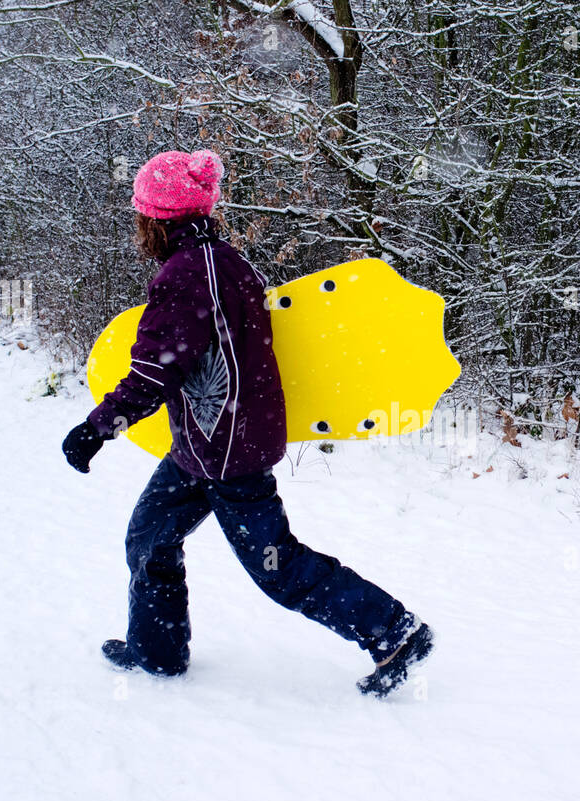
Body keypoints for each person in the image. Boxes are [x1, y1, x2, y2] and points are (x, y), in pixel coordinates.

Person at [61, 149, 434, 698]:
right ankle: (156, 652)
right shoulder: (223, 259)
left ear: (157, 219)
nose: (137, 227)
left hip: (227, 453)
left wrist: (97, 428)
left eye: (140, 215)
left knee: (277, 566)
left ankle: (394, 632)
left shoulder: (185, 276)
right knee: (149, 537)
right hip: (204, 445)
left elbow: (155, 370)